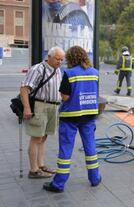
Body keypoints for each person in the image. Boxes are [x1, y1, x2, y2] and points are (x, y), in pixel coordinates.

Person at [43, 46, 101, 193]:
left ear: (70, 58)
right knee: (90, 147)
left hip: (70, 117)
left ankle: (59, 184)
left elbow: (65, 97)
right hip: (89, 116)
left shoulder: (69, 73)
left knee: (65, 150)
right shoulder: (95, 73)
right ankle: (95, 178)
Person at [20, 46, 65, 178]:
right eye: (57, 59)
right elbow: (24, 88)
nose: (60, 62)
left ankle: (41, 165)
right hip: (40, 106)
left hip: (53, 107)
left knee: (43, 138)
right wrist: (27, 108)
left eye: (62, 60)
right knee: (36, 138)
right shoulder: (38, 69)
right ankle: (34, 170)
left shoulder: (58, 70)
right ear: (49, 57)